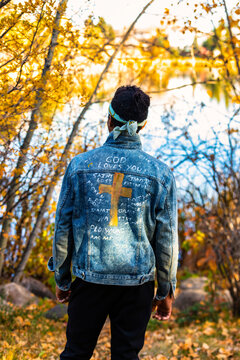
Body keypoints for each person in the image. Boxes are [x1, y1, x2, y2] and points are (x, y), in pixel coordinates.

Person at [48, 85, 178, 360]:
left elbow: (63, 227)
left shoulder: (80, 165)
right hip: (137, 285)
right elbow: (166, 241)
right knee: (126, 355)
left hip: (88, 279)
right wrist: (165, 290)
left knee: (75, 353)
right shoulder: (161, 174)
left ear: (109, 119)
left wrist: (62, 276)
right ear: (142, 126)